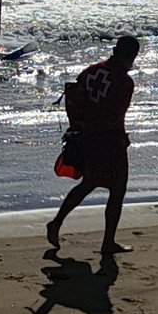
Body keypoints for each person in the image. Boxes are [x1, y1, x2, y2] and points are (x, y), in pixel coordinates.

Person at [47, 35, 140, 254]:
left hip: (87, 138)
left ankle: (57, 222)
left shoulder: (89, 71)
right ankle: (108, 242)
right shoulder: (124, 82)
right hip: (110, 141)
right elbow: (115, 117)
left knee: (88, 184)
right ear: (131, 56)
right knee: (117, 191)